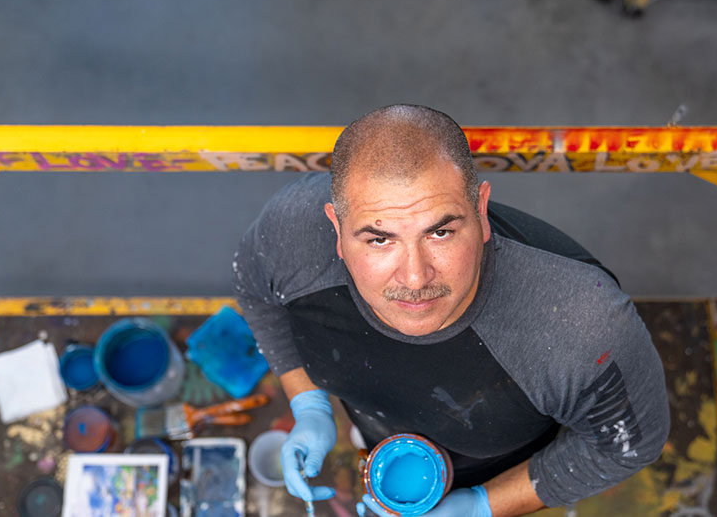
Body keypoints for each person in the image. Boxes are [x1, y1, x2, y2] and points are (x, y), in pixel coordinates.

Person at [234, 104, 669, 516]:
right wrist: (309, 402)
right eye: (379, 240)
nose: (415, 278)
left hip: (498, 468)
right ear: (335, 228)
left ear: (480, 211)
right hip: (375, 429)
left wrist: (484, 504)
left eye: (440, 232)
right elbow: (255, 292)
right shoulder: (293, 231)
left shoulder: (579, 321)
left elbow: (629, 443)